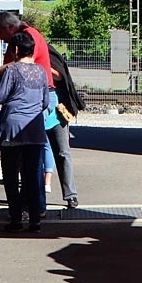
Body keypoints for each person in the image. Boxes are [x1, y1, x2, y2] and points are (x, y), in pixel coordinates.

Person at [0, 30, 48, 233]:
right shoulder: (41, 71)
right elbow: (45, 102)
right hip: (36, 129)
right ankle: (35, 221)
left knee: (11, 176)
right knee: (32, 176)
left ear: (15, 49)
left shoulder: (12, 71)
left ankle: (16, 220)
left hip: (13, 128)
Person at [45, 45, 81, 209]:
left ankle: (71, 195)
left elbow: (60, 76)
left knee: (63, 153)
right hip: (38, 112)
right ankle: (37, 197)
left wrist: (44, 67)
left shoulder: (48, 53)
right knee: (38, 154)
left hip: (57, 114)